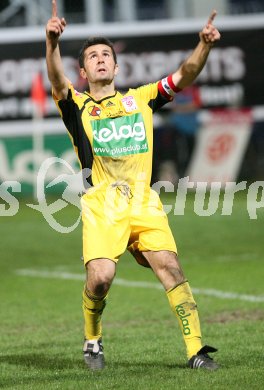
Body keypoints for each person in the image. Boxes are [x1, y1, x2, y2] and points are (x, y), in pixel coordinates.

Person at [46, 0, 221, 371]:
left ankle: (196, 351)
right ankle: (92, 339)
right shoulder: (76, 105)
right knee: (100, 280)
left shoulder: (139, 100)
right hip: (102, 205)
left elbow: (185, 74)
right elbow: (57, 82)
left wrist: (204, 45)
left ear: (116, 65)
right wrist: (52, 44)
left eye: (106, 54)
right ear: (84, 69)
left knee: (171, 268)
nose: (100, 59)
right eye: (92, 56)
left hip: (143, 202)